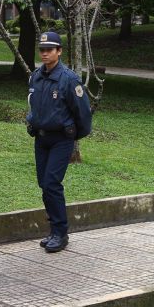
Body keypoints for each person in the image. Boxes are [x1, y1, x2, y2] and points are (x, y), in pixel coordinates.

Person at [25, 31, 91, 253]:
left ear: (59, 51)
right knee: (44, 184)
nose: (45, 54)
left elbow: (83, 113)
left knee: (52, 183)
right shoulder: (36, 76)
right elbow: (33, 105)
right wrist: (31, 121)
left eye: (49, 50)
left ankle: (61, 233)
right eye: (42, 50)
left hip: (61, 139)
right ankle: (53, 230)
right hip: (41, 138)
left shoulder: (69, 79)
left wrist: (72, 135)